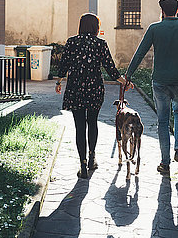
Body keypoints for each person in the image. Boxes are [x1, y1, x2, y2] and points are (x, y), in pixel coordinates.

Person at [125, 0, 178, 175]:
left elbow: (140, 52)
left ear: (162, 12)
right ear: (177, 11)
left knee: (163, 121)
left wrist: (129, 74)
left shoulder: (155, 29)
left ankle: (165, 163)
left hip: (160, 81)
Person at [56, 13, 132, 179]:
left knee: (79, 127)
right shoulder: (100, 44)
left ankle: (82, 163)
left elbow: (63, 65)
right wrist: (124, 81)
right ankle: (92, 158)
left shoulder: (71, 42)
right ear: (96, 27)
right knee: (92, 122)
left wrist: (59, 82)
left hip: (75, 89)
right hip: (94, 89)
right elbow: (110, 69)